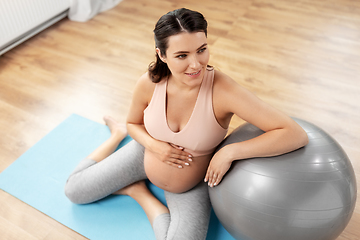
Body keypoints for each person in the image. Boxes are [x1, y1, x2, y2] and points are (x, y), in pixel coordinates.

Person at [64, 8, 309, 240]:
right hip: (145, 154)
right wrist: (155, 146)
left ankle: (138, 192)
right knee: (74, 191)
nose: (196, 64)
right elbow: (133, 123)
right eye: (182, 56)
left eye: (201, 50)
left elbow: (294, 134)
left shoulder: (224, 91)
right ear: (161, 54)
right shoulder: (149, 83)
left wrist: (230, 151)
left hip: (190, 185)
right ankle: (115, 137)